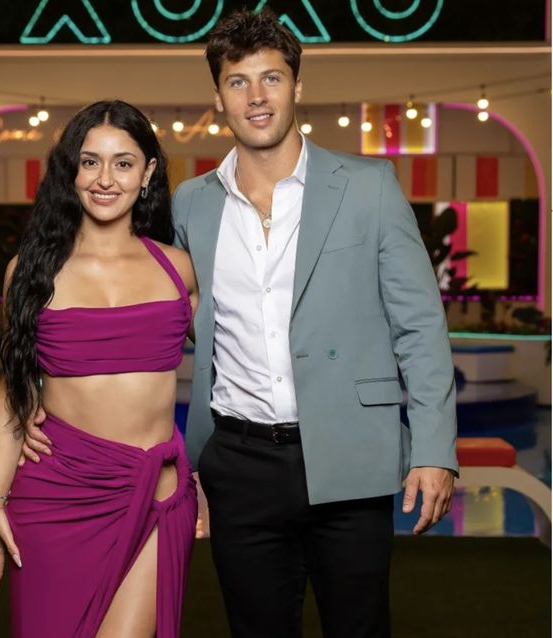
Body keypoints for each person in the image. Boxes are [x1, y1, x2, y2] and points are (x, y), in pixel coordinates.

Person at [23, 9, 458, 638]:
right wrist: (44, 396)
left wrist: (434, 449)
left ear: (297, 86)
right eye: (238, 81)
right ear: (219, 95)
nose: (257, 97)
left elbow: (420, 326)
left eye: (272, 78)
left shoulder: (369, 186)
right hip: (237, 463)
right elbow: (131, 303)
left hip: (349, 456)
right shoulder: (191, 204)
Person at [0, 100, 199, 638]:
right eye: (90, 162)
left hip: (156, 489)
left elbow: (239, 362)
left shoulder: (178, 270)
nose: (106, 179)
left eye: (123, 163)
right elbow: (14, 387)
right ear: (71, 171)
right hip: (57, 492)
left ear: (148, 172)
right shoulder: (31, 272)